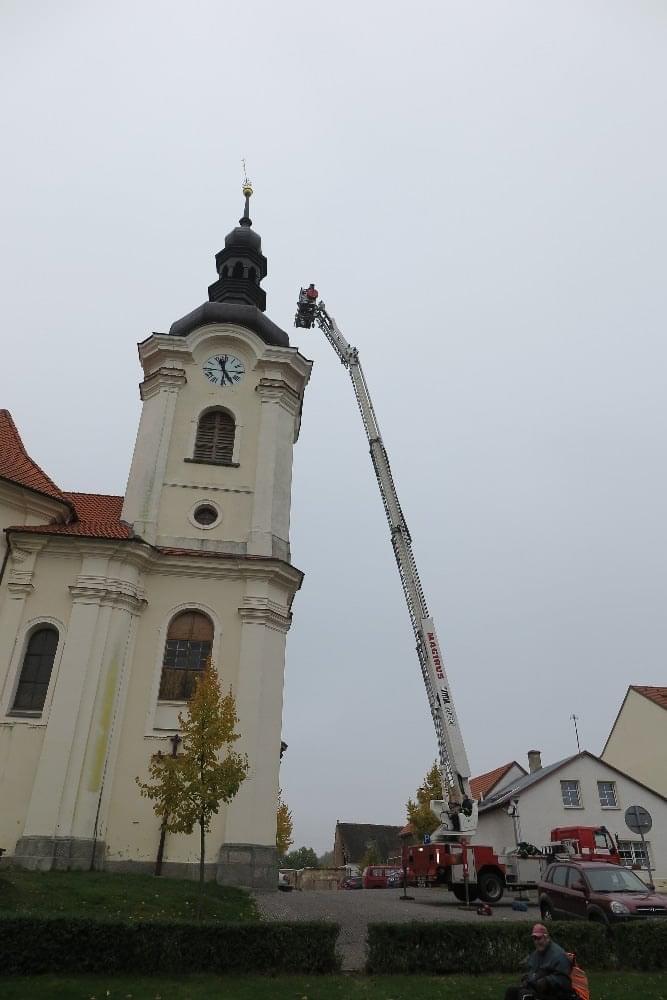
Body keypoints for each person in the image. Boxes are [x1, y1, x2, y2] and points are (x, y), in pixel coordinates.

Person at [504, 924, 576, 999]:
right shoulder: (536, 954)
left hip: (556, 994)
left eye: (539, 938)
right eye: (534, 939)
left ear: (547, 938)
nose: (536, 942)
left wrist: (547, 981)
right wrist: (526, 979)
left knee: (525, 995)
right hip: (538, 990)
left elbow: (564, 981)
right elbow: (532, 972)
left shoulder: (559, 955)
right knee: (511, 991)